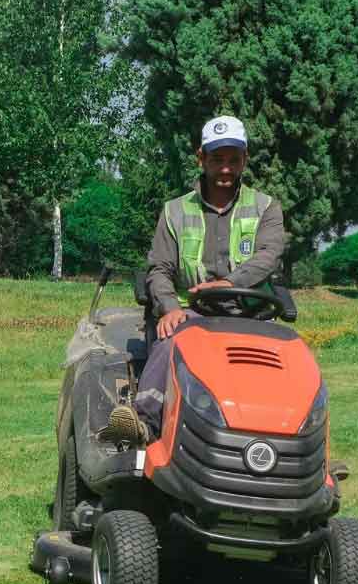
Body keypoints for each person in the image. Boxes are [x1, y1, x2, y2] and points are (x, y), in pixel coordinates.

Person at [101, 115, 288, 445]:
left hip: (250, 314)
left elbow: (268, 255)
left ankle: (300, 439)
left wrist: (230, 283)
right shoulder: (174, 211)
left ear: (245, 159)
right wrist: (170, 307)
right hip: (193, 314)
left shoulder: (266, 208)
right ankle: (145, 421)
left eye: (233, 160)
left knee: (290, 358)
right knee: (172, 337)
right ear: (201, 158)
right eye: (217, 160)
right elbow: (159, 268)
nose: (226, 169)